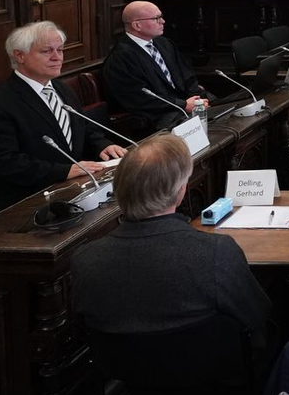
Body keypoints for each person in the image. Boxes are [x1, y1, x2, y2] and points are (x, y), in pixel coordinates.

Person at [72, 133, 270, 346]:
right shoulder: (216, 252)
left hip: (124, 374)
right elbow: (257, 317)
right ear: (181, 191)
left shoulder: (84, 260)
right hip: (218, 371)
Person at [0, 22, 126, 215]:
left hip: (75, 189)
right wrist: (63, 171)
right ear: (19, 55)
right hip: (29, 202)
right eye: (47, 51)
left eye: (60, 50)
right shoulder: (0, 102)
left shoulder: (61, 88)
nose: (57, 57)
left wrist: (102, 145)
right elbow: (4, 161)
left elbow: (84, 128)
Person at [101, 1, 210, 135]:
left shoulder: (164, 43)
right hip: (156, 116)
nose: (163, 21)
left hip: (183, 106)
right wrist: (183, 105)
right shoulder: (121, 58)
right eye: (156, 18)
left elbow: (187, 76)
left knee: (223, 111)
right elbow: (139, 98)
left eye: (161, 17)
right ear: (137, 25)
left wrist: (196, 99)